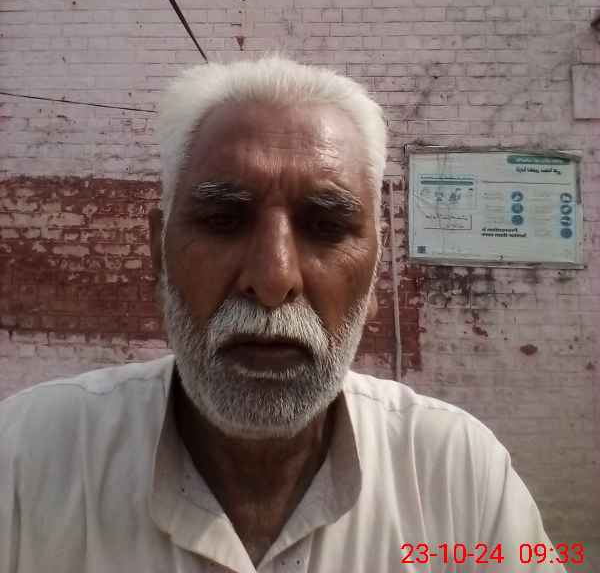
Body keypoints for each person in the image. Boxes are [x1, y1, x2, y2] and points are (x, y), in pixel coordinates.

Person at [0, 54, 569, 572]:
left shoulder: (457, 477)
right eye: (223, 221)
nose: (273, 280)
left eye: (325, 227)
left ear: (375, 273)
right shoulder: (27, 458)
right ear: (158, 256)